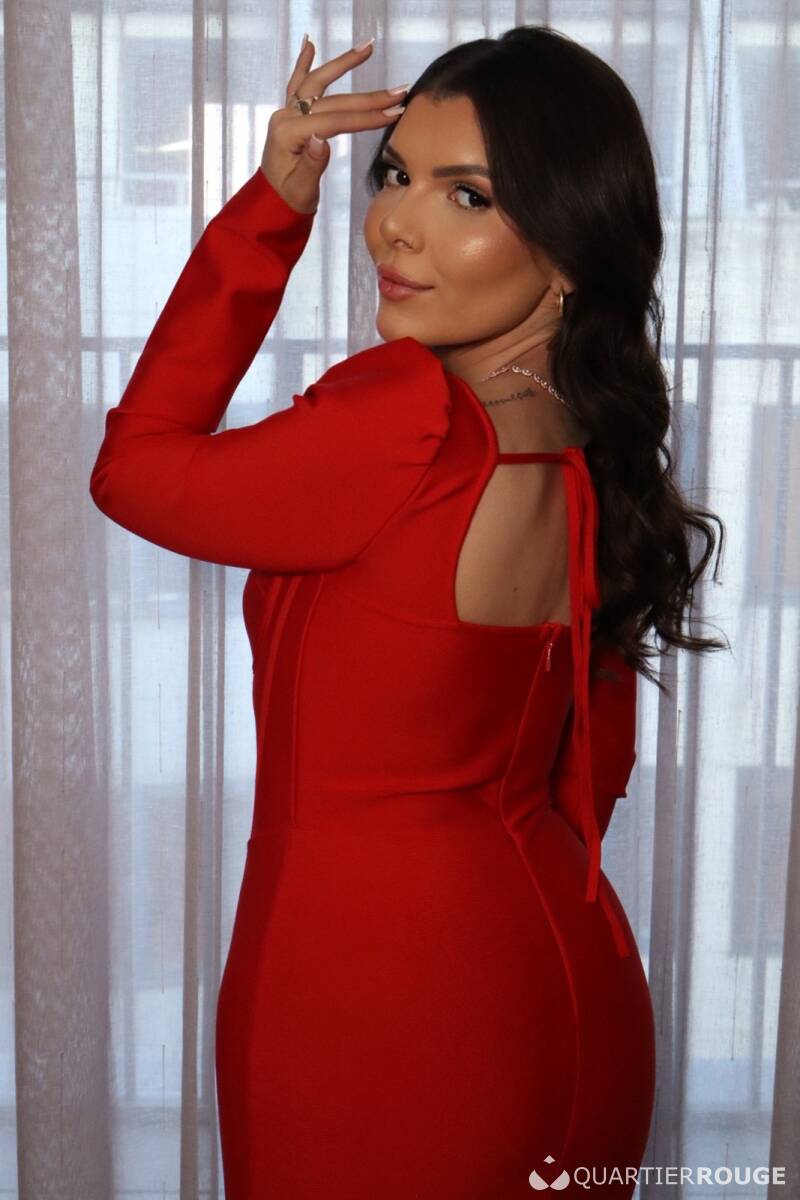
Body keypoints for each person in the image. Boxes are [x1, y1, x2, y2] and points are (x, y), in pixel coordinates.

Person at [89, 23, 726, 1199]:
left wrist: (270, 212)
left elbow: (133, 469)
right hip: (562, 974)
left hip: (378, 999)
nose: (393, 223)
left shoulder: (404, 417)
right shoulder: (586, 446)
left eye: (465, 194)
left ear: (568, 249)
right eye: (393, 174)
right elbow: (589, 767)